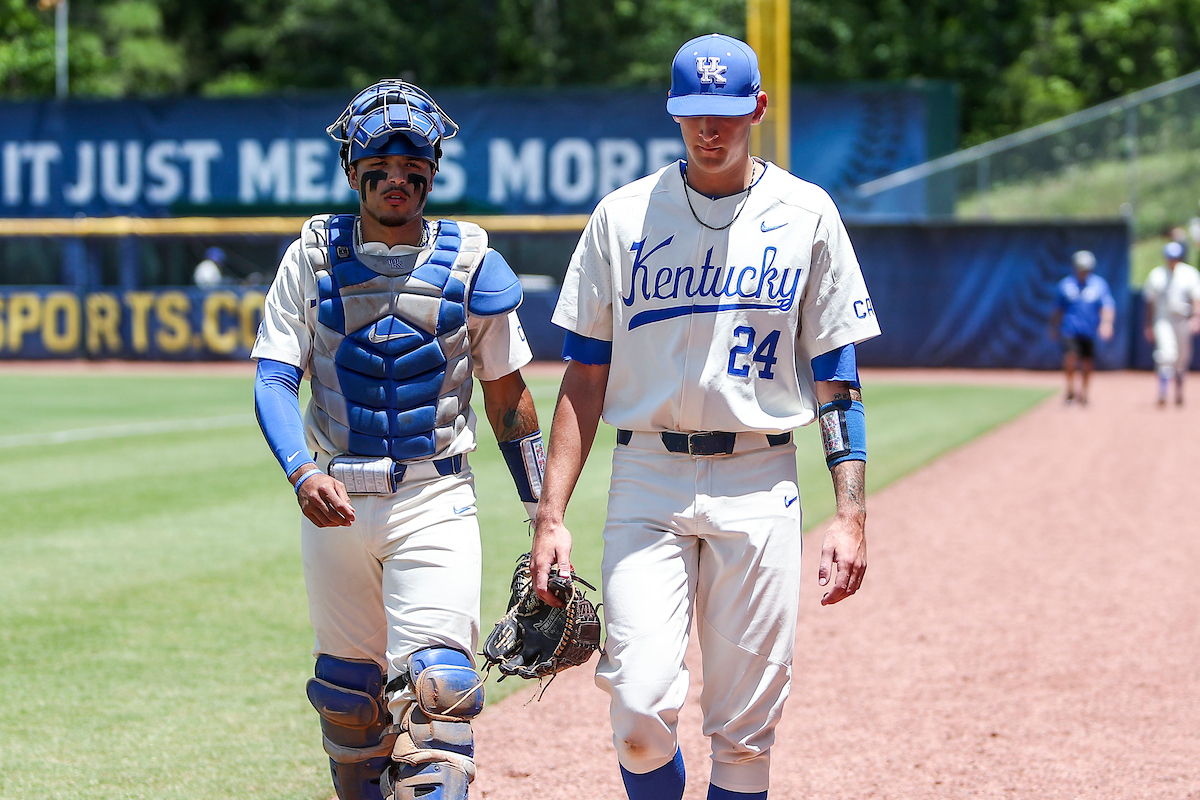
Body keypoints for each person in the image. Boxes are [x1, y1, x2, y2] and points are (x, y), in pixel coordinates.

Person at [531, 33, 881, 800]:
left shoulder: (807, 213)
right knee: (638, 709)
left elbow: (837, 378)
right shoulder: (623, 216)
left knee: (745, 732)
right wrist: (549, 516)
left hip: (760, 478)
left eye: (725, 112)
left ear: (758, 106)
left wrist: (849, 512)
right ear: (673, 113)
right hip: (646, 477)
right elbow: (583, 375)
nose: (709, 130)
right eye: (693, 113)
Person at [250, 79, 546, 800]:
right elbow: (273, 379)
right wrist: (298, 471)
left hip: (435, 494)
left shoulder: (473, 263)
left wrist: (546, 519)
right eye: (379, 163)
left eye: (413, 164)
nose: (397, 177)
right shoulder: (312, 256)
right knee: (350, 708)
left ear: (433, 172)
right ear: (351, 169)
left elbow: (510, 403)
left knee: (442, 696)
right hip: (335, 497)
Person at [1047, 249, 1115, 406]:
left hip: (1089, 330)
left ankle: (1084, 393)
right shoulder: (1065, 285)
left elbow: (1107, 307)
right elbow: (1058, 309)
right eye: (1081, 268)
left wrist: (1106, 324)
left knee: (1087, 363)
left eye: (1086, 268)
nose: (1083, 271)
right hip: (1070, 329)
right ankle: (1070, 390)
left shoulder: (1099, 285)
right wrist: (1053, 326)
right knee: (1070, 357)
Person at [1143, 240, 1200, 406]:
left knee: (1182, 358)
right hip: (1163, 318)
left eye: (1175, 257)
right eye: (1169, 257)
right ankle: (1163, 392)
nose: (1172, 260)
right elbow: (1149, 302)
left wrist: (1196, 317)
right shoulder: (1157, 275)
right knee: (1166, 354)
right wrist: (1148, 324)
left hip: (1183, 318)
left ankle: (1179, 391)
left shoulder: (1189, 273)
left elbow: (1196, 298)